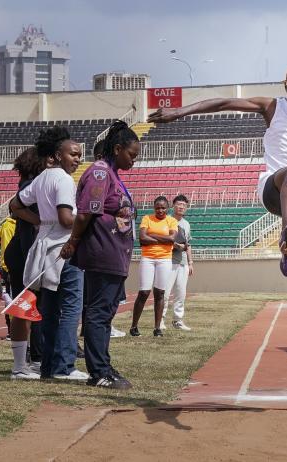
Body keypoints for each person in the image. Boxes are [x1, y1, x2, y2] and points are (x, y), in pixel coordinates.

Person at [148, 63, 287, 280]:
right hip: (276, 188)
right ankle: (286, 231)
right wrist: (178, 112)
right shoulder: (273, 106)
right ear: (285, 88)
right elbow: (224, 103)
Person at [61, 120, 139, 389]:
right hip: (102, 253)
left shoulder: (113, 173)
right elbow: (85, 213)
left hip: (114, 254)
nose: (134, 161)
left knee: (104, 313)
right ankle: (98, 372)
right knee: (98, 313)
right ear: (117, 149)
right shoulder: (100, 172)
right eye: (131, 155)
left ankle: (104, 365)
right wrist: (73, 242)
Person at [10, 126, 86, 381]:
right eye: (73, 154)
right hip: (64, 249)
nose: (77, 159)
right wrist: (88, 222)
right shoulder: (63, 179)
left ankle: (47, 367)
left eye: (79, 155)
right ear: (57, 154)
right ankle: (64, 366)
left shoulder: (41, 177)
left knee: (50, 310)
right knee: (70, 308)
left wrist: (40, 221)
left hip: (43, 248)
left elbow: (15, 205)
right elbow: (66, 219)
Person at [3, 148, 47, 379]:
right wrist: (39, 220)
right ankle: (25, 363)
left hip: (24, 250)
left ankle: (34, 358)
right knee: (27, 304)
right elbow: (15, 206)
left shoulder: (32, 182)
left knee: (31, 304)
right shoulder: (30, 184)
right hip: (23, 252)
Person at [130, 196, 177, 337]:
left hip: (165, 260)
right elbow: (142, 238)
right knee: (144, 292)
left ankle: (157, 328)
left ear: (167, 208)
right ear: (154, 208)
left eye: (163, 207)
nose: (160, 210)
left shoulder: (172, 221)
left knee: (160, 293)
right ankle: (134, 326)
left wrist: (152, 236)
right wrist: (163, 240)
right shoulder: (147, 218)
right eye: (157, 207)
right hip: (148, 258)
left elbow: (172, 239)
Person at [161, 194, 194, 331]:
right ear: (173, 205)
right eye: (179, 204)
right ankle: (160, 320)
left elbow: (189, 244)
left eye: (184, 205)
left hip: (183, 262)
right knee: (166, 292)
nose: (181, 207)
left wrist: (191, 262)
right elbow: (163, 238)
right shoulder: (167, 220)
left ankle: (178, 320)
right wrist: (175, 245)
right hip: (169, 260)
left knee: (181, 292)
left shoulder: (186, 224)